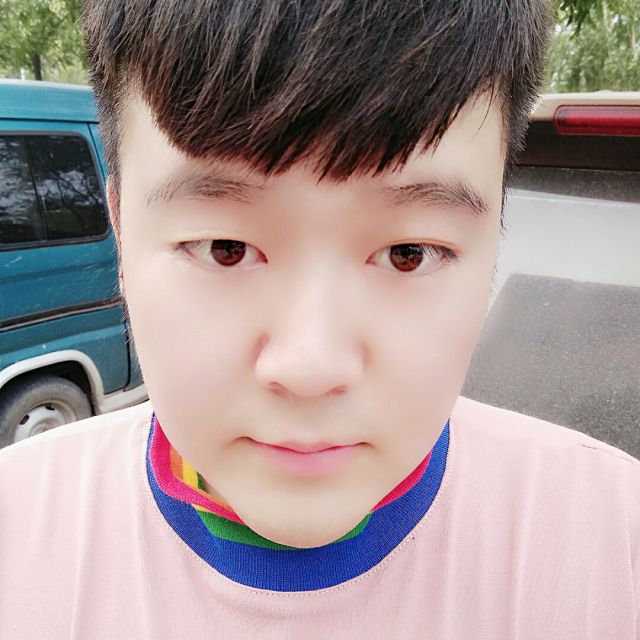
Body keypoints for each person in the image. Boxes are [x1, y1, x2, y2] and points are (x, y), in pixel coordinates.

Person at [1, 0, 638, 637]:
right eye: (225, 248)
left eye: (408, 253)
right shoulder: (17, 534)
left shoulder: (612, 546)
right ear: (121, 230)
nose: (311, 367)